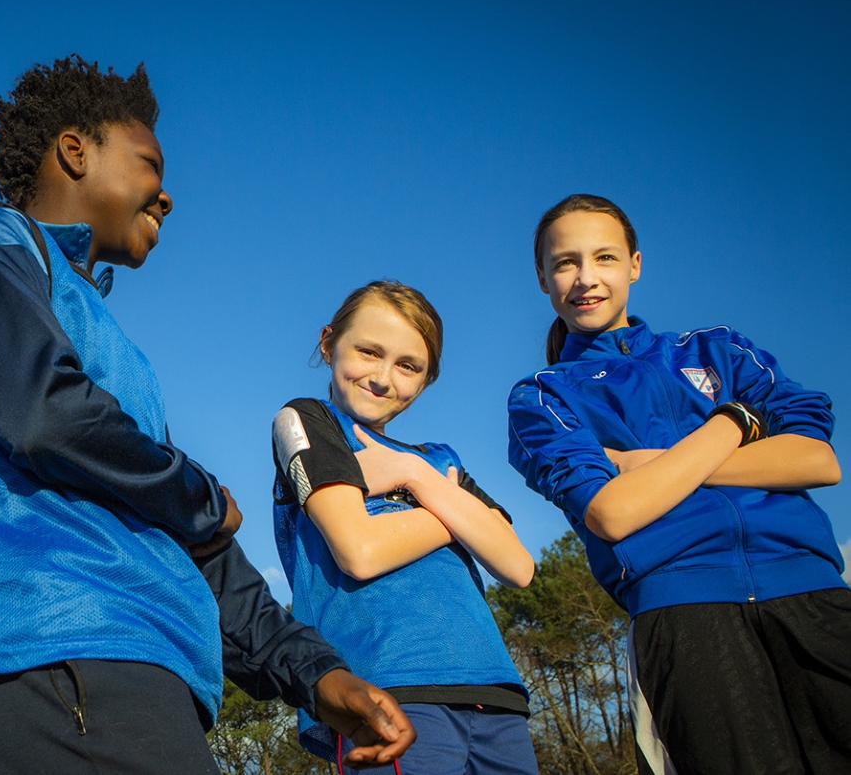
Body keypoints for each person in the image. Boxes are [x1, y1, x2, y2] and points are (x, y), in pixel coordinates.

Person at [0, 56, 416, 775]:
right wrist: (199, 494)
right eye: (148, 163)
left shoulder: (107, 341)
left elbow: (190, 536)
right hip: (63, 634)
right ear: (74, 152)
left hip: (138, 653)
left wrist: (313, 673)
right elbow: (44, 419)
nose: (168, 194)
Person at [507, 194, 851, 774]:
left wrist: (651, 464)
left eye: (605, 258)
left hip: (813, 594)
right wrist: (735, 423)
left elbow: (817, 460)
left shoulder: (719, 350)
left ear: (635, 265)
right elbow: (613, 513)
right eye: (565, 262)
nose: (586, 278)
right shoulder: (542, 396)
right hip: (685, 618)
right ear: (542, 276)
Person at [272, 280, 538, 774]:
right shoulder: (310, 421)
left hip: (496, 692)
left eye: (408, 366)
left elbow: (518, 564)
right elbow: (360, 551)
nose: (383, 377)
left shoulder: (436, 460)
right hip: (390, 689)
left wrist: (413, 475)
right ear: (329, 342)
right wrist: (456, 514)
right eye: (368, 352)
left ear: (427, 379)